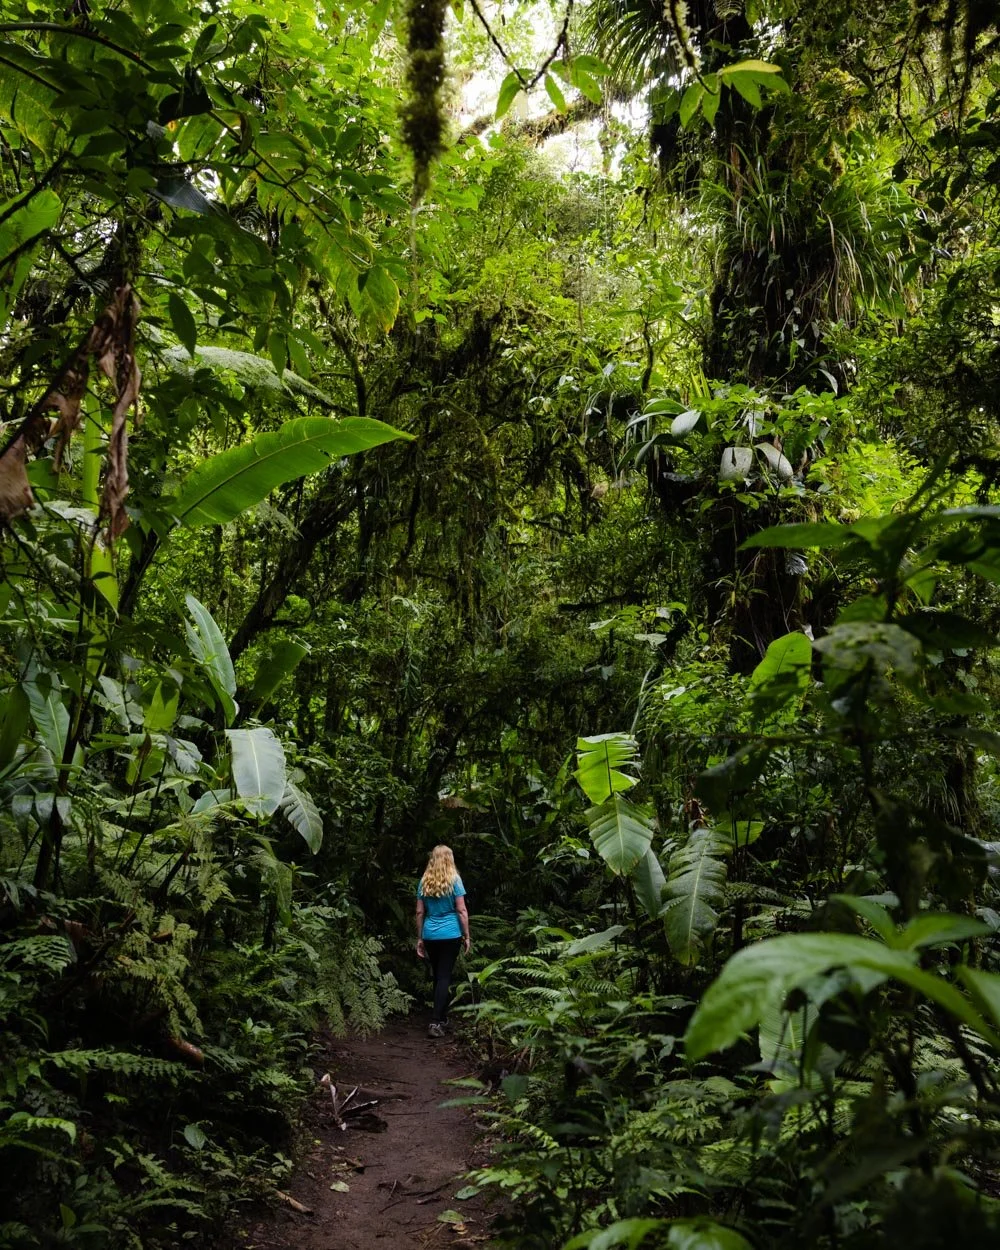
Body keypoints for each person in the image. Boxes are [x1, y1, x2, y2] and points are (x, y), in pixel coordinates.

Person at [415, 845, 471, 1038]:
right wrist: (467, 936)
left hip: (431, 934)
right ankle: (436, 1021)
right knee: (444, 976)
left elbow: (420, 912)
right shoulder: (455, 880)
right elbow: (462, 910)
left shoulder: (424, 882)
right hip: (450, 934)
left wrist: (420, 937)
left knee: (438, 976)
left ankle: (442, 1017)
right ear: (449, 859)